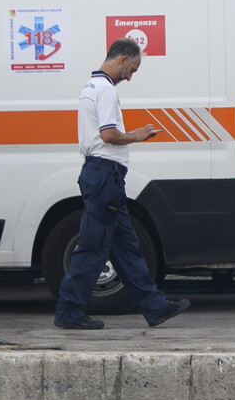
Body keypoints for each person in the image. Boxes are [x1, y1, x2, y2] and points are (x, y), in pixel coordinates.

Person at [54, 39, 189, 330]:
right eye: (132, 69)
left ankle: (154, 307)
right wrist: (137, 135)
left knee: (126, 247)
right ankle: (69, 310)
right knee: (92, 247)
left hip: (103, 177)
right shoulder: (105, 90)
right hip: (105, 176)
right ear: (122, 59)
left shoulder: (90, 87)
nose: (131, 76)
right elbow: (108, 135)